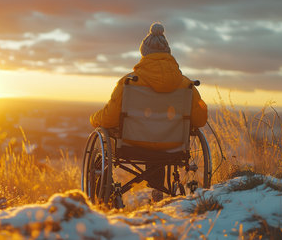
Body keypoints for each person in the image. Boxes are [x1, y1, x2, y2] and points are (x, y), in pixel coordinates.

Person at [89, 22, 208, 200]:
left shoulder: (128, 82)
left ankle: (104, 198)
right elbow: (200, 121)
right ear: (168, 54)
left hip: (133, 145)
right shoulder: (187, 85)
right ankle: (158, 190)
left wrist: (94, 118)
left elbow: (109, 118)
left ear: (143, 53)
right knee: (159, 143)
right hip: (173, 147)